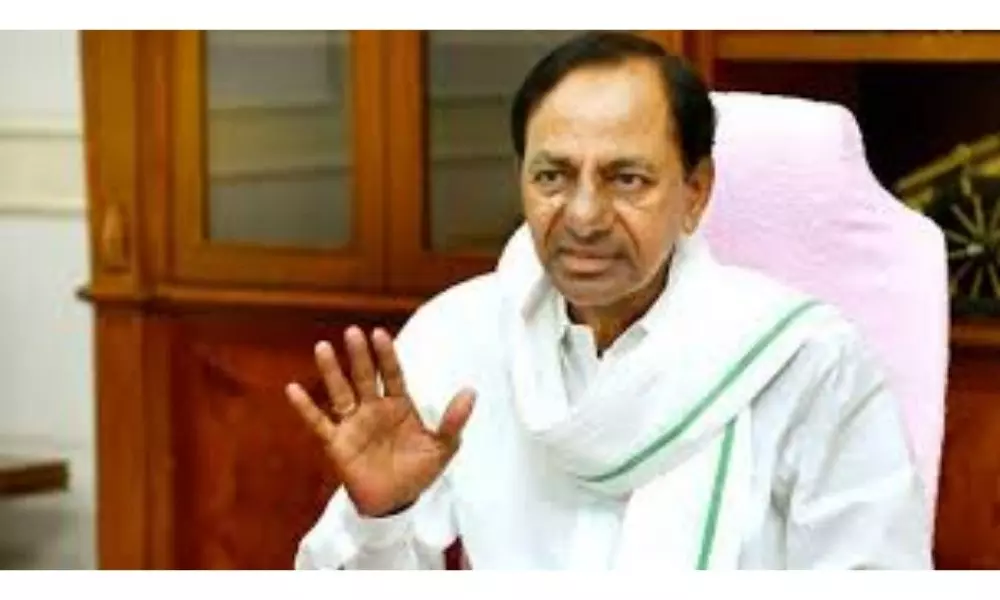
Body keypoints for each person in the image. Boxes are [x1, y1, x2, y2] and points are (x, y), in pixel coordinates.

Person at [285, 31, 932, 570]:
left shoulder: (806, 360)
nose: (584, 216)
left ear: (696, 193)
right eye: (553, 176)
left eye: (626, 179)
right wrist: (382, 519)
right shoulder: (457, 335)